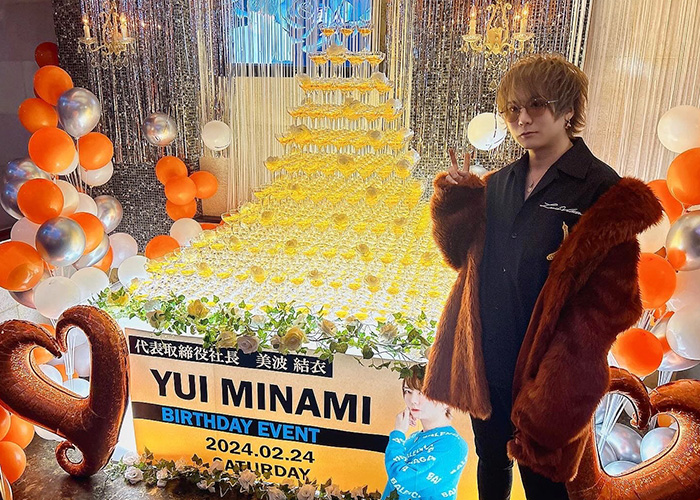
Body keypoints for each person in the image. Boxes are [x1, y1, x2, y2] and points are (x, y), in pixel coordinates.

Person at [421, 54, 663, 499]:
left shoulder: (598, 188)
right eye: (512, 109)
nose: (523, 119)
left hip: (550, 371)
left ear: (568, 109)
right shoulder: (501, 182)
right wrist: (457, 202)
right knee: (491, 462)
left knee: (545, 483)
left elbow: (615, 301)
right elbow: (463, 261)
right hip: (489, 356)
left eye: (536, 105)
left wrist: (565, 371)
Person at [382, 366, 468, 500]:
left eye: (422, 393)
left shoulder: (452, 445)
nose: (413, 400)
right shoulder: (414, 438)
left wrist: (398, 435)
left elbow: (402, 480)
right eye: (408, 391)